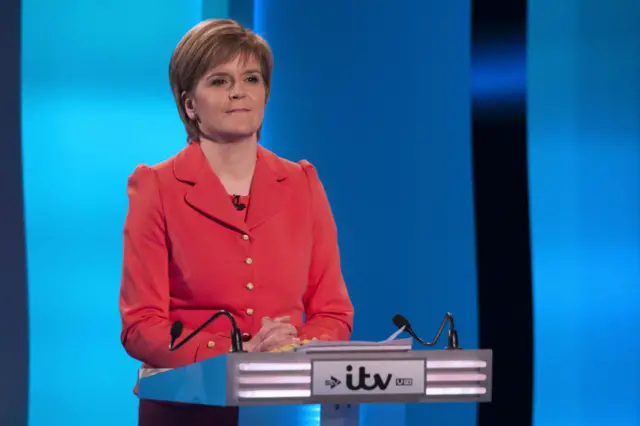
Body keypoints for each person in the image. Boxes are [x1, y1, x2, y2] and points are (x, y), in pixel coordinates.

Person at [118, 18, 354, 426]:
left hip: (287, 405)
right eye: (219, 81)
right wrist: (237, 351)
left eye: (251, 78)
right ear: (189, 103)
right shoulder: (156, 186)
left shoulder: (302, 183)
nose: (239, 92)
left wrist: (288, 349)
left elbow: (332, 313)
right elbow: (141, 326)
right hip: (187, 407)